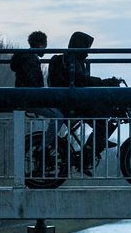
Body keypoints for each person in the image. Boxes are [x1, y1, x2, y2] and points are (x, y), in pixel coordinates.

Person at [47, 31, 124, 172]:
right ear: (79, 46)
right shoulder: (72, 60)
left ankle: (93, 146)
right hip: (71, 103)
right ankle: (88, 152)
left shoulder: (71, 59)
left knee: (101, 118)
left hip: (69, 101)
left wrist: (102, 83)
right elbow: (82, 81)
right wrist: (105, 82)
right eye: (86, 49)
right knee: (101, 119)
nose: (87, 54)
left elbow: (82, 81)